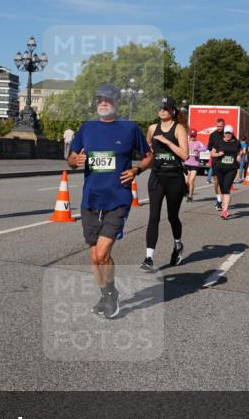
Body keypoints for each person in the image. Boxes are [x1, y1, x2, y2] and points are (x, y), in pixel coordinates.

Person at [67, 83, 153, 319]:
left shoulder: (129, 128)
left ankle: (110, 295)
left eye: (108, 99)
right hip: (90, 199)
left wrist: (136, 171)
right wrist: (75, 160)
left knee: (103, 254)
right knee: (94, 257)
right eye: (99, 99)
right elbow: (71, 157)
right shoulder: (87, 128)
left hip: (118, 198)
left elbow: (148, 156)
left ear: (117, 102)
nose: (103, 103)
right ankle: (108, 294)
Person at [141, 97, 188, 271]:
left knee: (172, 216)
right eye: (160, 107)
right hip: (157, 176)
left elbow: (185, 155)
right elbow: (147, 146)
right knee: (153, 216)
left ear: (173, 111)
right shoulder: (152, 128)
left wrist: (167, 142)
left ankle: (177, 245)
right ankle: (148, 258)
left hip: (174, 177)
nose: (162, 111)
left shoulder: (179, 129)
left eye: (166, 108)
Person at [210, 125, 241, 219]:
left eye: (229, 133)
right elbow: (212, 153)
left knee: (227, 188)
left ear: (232, 134)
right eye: (226, 133)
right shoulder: (219, 142)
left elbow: (240, 151)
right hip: (220, 168)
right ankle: (222, 205)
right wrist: (218, 154)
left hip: (231, 169)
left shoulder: (236, 143)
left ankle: (224, 211)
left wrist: (239, 156)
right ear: (224, 133)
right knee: (222, 188)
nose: (228, 135)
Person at [205, 118, 225, 202]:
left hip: (224, 161)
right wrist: (214, 153)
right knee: (216, 181)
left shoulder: (227, 134)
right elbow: (209, 146)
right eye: (217, 126)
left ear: (224, 125)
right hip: (215, 160)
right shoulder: (213, 135)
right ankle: (218, 197)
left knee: (222, 181)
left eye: (220, 126)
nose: (219, 128)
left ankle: (220, 201)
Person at [183, 129, 205, 202]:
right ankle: (187, 191)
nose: (192, 137)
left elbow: (205, 148)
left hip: (194, 164)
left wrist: (198, 149)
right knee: (186, 181)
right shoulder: (186, 143)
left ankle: (190, 196)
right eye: (191, 136)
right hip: (187, 163)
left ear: (195, 136)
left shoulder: (198, 142)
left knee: (191, 181)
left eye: (193, 136)